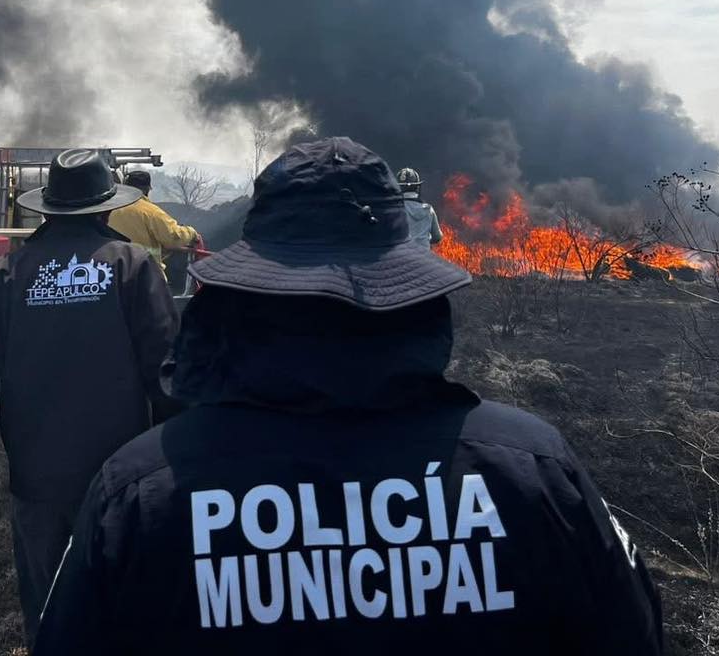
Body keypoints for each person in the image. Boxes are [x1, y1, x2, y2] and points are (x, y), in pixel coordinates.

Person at [33, 138, 663, 654]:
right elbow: (632, 635)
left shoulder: (142, 492)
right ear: (412, 292)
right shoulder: (533, 472)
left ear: (244, 293)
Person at [0, 148, 180, 648]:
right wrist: (178, 480)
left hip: (38, 486)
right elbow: (169, 382)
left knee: (51, 622)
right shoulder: (133, 269)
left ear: (47, 210)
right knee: (127, 620)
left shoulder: (7, 276)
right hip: (123, 487)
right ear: (106, 209)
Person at [107, 168, 202, 279]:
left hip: (114, 275)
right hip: (147, 276)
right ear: (148, 189)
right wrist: (191, 233)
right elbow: (173, 237)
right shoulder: (150, 212)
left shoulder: (109, 211)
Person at [397, 166, 443, 248]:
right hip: (423, 254)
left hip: (401, 254)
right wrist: (425, 240)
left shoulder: (394, 210)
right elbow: (437, 237)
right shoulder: (428, 209)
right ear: (417, 187)